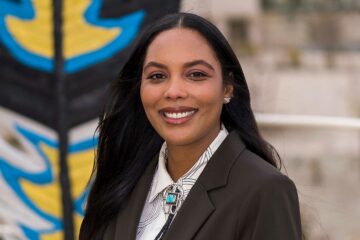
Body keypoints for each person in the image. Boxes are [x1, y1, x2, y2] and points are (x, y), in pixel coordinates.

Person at [79, 12, 302, 240]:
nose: (174, 91)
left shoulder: (264, 190)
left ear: (227, 88)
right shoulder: (121, 180)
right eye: (157, 76)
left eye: (196, 74)